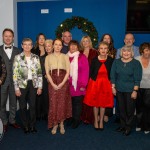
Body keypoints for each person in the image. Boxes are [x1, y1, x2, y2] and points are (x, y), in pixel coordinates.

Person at [111, 45, 142, 136]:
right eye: (124, 51)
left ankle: (128, 127)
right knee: (121, 109)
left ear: (131, 53)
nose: (126, 53)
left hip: (130, 90)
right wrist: (113, 87)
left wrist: (135, 91)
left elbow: (137, 79)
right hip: (119, 90)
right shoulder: (116, 62)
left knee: (129, 110)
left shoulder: (136, 63)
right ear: (121, 53)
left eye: (128, 51)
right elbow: (113, 76)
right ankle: (122, 125)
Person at [13, 38, 42, 133]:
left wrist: (40, 86)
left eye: (29, 44)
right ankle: (25, 125)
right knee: (22, 106)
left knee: (33, 106)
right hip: (21, 85)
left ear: (32, 46)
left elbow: (39, 73)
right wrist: (16, 88)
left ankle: (32, 125)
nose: (27, 46)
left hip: (33, 84)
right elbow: (15, 74)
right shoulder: (17, 57)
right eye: (25, 44)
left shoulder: (36, 57)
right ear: (22, 45)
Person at [84, 41, 114, 130]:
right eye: (101, 48)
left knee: (103, 104)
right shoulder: (94, 60)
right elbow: (90, 73)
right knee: (95, 103)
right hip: (95, 84)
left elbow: (112, 74)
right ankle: (95, 121)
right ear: (98, 50)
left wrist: (112, 85)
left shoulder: (111, 60)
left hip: (106, 85)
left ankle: (101, 121)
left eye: (105, 48)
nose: (103, 50)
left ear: (108, 50)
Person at [45, 39, 72, 135]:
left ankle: (61, 124)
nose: (57, 46)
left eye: (59, 45)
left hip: (63, 82)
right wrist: (52, 84)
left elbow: (68, 71)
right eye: (55, 44)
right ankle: (55, 124)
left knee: (62, 103)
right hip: (52, 82)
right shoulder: (48, 57)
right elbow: (47, 72)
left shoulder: (65, 56)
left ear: (62, 47)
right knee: (53, 104)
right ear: (53, 45)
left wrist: (62, 83)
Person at [0, 28, 20, 132]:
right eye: (6, 36)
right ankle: (4, 122)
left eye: (10, 36)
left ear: (13, 38)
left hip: (15, 82)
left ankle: (12, 120)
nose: (8, 38)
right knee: (1, 103)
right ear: (3, 37)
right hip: (2, 82)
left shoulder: (18, 51)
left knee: (13, 102)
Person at [67, 40, 89, 129]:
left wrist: (83, 84)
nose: (73, 47)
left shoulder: (82, 57)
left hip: (79, 85)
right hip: (68, 84)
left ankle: (77, 120)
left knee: (77, 103)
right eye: (71, 46)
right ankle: (71, 118)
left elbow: (85, 71)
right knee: (70, 103)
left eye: (75, 46)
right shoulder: (65, 56)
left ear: (77, 47)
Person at [80, 36, 98, 124]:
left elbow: (97, 66)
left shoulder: (95, 52)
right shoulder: (79, 52)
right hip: (81, 78)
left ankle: (90, 117)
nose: (86, 43)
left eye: (87, 41)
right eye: (84, 41)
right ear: (82, 43)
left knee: (91, 97)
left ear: (90, 42)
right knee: (82, 98)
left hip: (92, 78)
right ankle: (82, 116)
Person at [100, 33, 116, 122]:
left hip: (110, 77)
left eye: (108, 38)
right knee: (100, 96)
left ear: (110, 41)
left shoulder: (115, 51)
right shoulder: (98, 50)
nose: (106, 40)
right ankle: (100, 114)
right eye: (105, 38)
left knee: (108, 96)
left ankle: (107, 114)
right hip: (101, 77)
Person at [32, 33, 49, 120]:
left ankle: (45, 113)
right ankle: (37, 114)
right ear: (37, 40)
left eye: (43, 38)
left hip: (46, 77)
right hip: (36, 77)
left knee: (46, 96)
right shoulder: (33, 50)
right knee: (37, 96)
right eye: (40, 38)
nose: (41, 40)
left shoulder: (48, 51)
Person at [135, 42, 150, 134]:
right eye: (146, 50)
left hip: (149, 87)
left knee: (148, 106)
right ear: (142, 51)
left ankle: (147, 126)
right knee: (139, 106)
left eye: (149, 50)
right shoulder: (137, 60)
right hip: (138, 87)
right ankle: (139, 124)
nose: (148, 52)